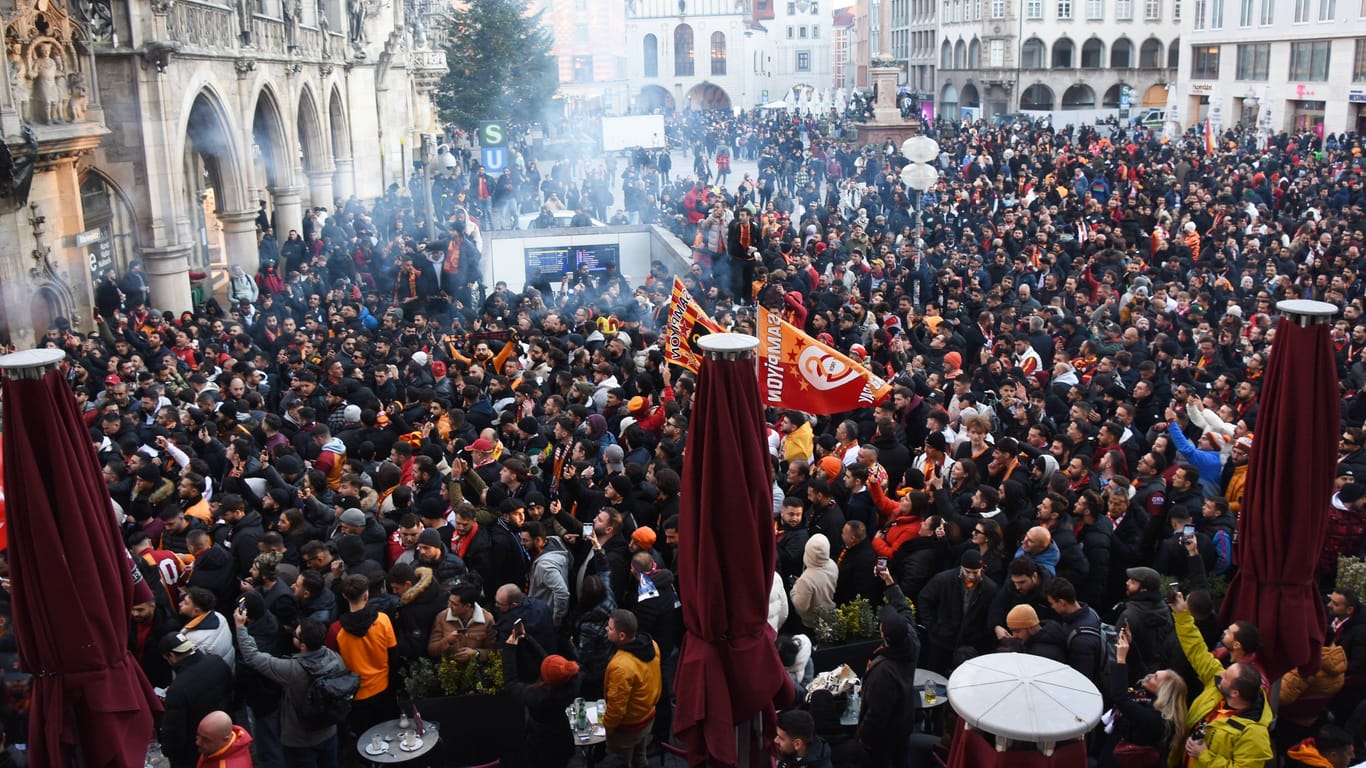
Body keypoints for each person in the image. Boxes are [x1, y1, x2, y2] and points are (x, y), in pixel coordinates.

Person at [1170, 591, 1272, 767]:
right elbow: (1196, 649)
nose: (1220, 675)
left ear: (1235, 692)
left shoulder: (1254, 734)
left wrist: (1205, 756)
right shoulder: (1218, 682)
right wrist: (1181, 614)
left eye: (1226, 677)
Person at [234, 614, 349, 767]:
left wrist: (240, 627)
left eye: (295, 634)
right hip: (329, 731)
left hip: (300, 741)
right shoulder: (335, 658)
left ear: (302, 645)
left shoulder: (293, 670)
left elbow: (252, 656)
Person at [1093, 625, 1188, 768]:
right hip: (1114, 748)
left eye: (1155, 677)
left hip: (1123, 760)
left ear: (1163, 691)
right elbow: (1139, 667)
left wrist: (1120, 659)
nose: (1149, 676)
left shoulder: (1158, 721)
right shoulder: (1150, 694)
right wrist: (1131, 643)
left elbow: (1121, 698)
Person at [857, 563, 919, 768]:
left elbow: (876, 713)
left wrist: (863, 738)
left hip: (885, 734)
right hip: (905, 721)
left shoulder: (883, 671)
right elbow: (904, 608)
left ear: (883, 634)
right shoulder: (911, 640)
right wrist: (890, 583)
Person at [501, 621, 579, 768]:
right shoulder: (569, 684)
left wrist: (509, 649)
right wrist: (527, 638)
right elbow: (546, 661)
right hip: (563, 740)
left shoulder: (539, 698)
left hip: (542, 747)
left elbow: (511, 683)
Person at [159, 633, 234, 768]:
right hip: (224, 736)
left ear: (171, 656)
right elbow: (234, 694)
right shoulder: (216, 661)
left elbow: (174, 733)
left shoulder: (178, 689)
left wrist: (168, 751)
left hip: (195, 751)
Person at [333, 574, 397, 733]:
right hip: (384, 687)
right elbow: (393, 655)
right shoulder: (383, 620)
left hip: (356, 694)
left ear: (344, 596)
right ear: (366, 595)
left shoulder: (337, 631)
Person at [602, 609, 661, 768]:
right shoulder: (652, 646)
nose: (606, 629)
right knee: (640, 758)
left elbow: (616, 708)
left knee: (622, 763)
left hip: (628, 728)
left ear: (622, 636)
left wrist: (606, 728)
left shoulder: (620, 666)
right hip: (647, 716)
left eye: (611, 627)